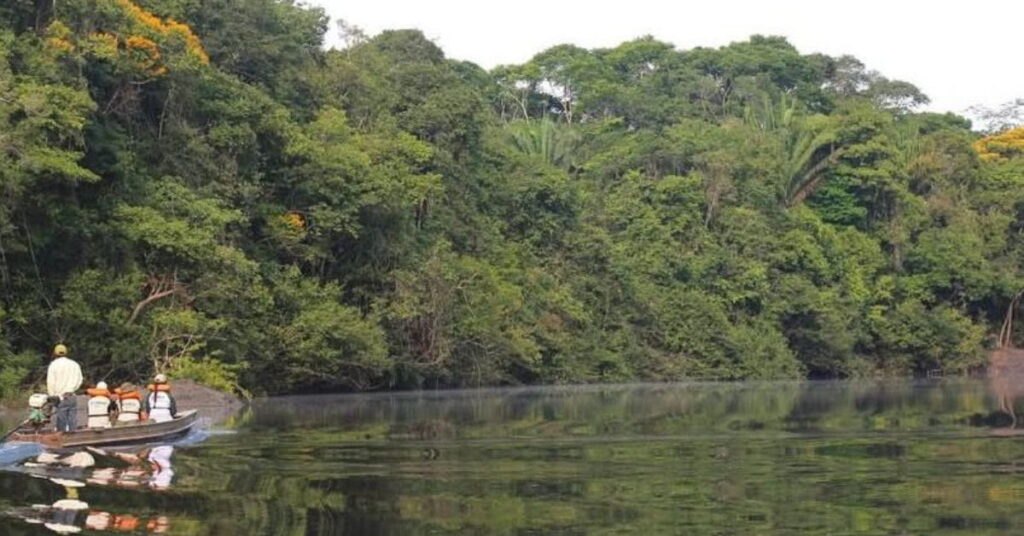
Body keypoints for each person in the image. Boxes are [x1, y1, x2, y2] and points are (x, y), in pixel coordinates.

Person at [47, 344, 83, 433]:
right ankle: (73, 437)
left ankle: (62, 438)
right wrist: (72, 389)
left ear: (55, 353)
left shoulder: (53, 365)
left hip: (59, 397)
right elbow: (80, 380)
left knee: (61, 420)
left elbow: (50, 382)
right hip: (71, 395)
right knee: (72, 419)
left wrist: (52, 396)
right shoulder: (74, 364)